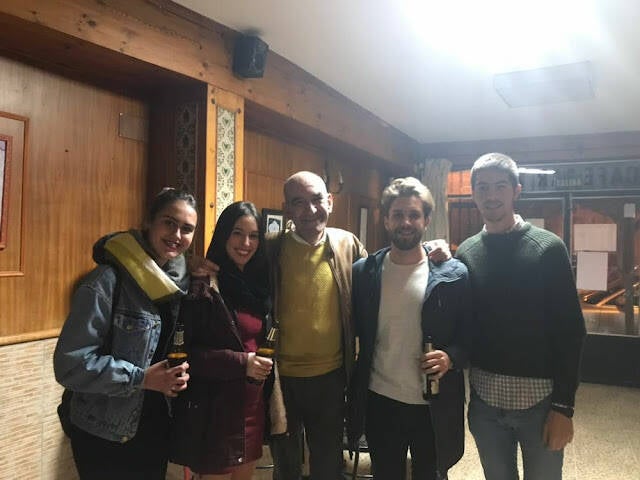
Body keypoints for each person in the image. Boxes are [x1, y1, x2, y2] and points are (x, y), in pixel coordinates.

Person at [455, 153, 586, 480]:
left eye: (500, 186)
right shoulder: (466, 252)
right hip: (484, 403)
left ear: (516, 191)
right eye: (483, 187)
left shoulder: (548, 248)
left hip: (539, 403)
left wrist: (564, 407)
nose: (491, 195)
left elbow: (571, 331)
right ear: (473, 194)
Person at [53, 188, 197, 480]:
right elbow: (70, 365)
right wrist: (141, 378)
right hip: (104, 432)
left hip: (155, 428)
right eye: (169, 223)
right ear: (148, 222)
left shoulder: (181, 285)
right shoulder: (107, 280)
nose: (177, 235)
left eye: (186, 228)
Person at [347, 177, 472, 480]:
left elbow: (471, 335)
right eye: (398, 214)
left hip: (433, 404)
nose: (406, 222)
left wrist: (451, 357)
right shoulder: (364, 273)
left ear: (426, 220)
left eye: (414, 215)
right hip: (380, 400)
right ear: (386, 220)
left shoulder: (453, 275)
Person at [170, 201, 274, 480]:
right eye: (237, 233)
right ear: (223, 235)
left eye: (253, 236)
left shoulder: (260, 286)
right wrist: (243, 362)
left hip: (251, 407)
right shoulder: (202, 284)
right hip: (213, 411)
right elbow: (185, 355)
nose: (246, 243)